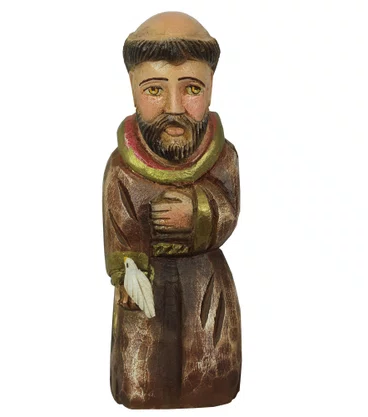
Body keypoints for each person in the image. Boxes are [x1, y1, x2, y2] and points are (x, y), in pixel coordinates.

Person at [103, 11, 241, 409]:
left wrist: (198, 213)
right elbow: (118, 225)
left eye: (192, 88)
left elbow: (229, 210)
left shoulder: (223, 157)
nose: (174, 107)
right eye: (154, 90)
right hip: (144, 287)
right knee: (146, 371)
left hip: (205, 283)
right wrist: (128, 271)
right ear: (133, 90)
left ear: (211, 88)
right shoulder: (122, 167)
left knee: (209, 361)